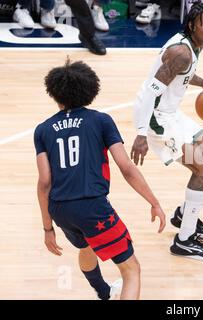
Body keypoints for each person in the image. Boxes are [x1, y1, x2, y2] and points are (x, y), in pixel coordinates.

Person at [34, 59, 166, 300]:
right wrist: (154, 202)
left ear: (54, 92)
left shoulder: (43, 130)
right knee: (131, 270)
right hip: (92, 208)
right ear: (90, 90)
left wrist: (47, 228)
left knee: (86, 246)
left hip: (60, 208)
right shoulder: (101, 120)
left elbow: (44, 182)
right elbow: (126, 167)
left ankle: (103, 292)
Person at [130, 1, 203, 261]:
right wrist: (140, 133)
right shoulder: (181, 52)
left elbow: (183, 74)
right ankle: (184, 240)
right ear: (193, 25)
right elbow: (151, 90)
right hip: (156, 120)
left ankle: (185, 214)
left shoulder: (193, 46)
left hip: (172, 114)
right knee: (202, 168)